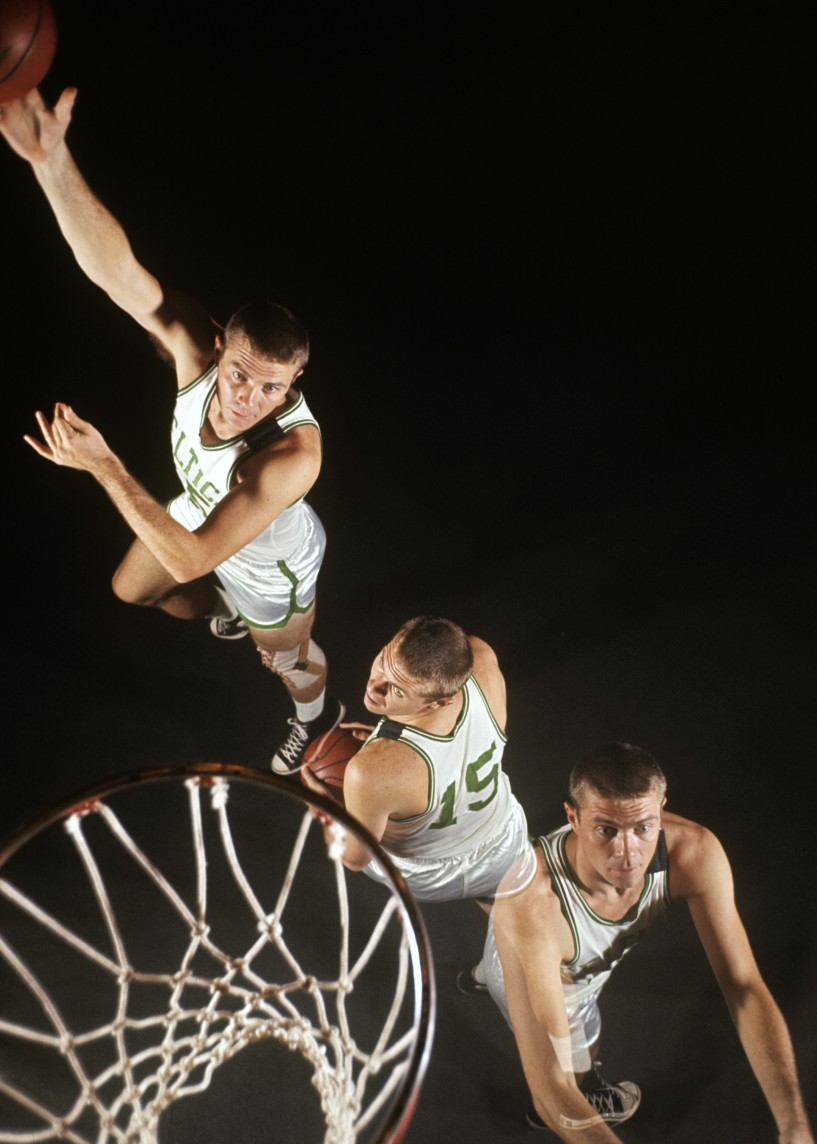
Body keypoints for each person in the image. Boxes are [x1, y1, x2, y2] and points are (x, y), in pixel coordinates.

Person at [2, 86, 342, 773]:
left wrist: (104, 466)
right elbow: (114, 272)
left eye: (272, 387)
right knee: (133, 590)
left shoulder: (290, 457)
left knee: (285, 656)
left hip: (268, 561)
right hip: (204, 515)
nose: (250, 397)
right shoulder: (192, 344)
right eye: (242, 375)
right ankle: (227, 613)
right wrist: (49, 160)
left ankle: (315, 717)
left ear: (291, 387)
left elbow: (190, 559)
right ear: (220, 348)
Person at [464, 741, 817, 1144]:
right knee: (573, 1049)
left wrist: (793, 1121)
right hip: (553, 964)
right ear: (572, 818)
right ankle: (508, 989)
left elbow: (744, 987)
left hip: (545, 944)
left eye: (643, 827)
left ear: (661, 809)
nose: (629, 853)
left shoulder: (693, 852)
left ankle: (481, 969)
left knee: (517, 954)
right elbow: (549, 1089)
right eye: (607, 830)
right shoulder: (535, 906)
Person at [301, 615, 534, 904]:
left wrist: (328, 812)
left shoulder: (369, 772)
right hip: (504, 837)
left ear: (439, 702)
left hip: (429, 876)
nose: (375, 688)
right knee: (512, 914)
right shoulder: (481, 657)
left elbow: (354, 859)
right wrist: (391, 743)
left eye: (398, 690)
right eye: (383, 664)